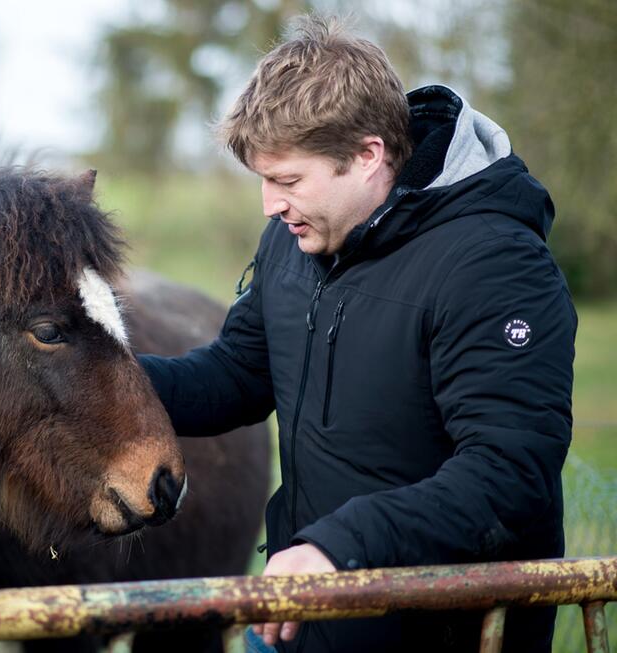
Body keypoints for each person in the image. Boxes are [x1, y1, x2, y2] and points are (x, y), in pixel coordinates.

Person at [137, 13, 575, 653]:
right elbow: (237, 374)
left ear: (368, 156)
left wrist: (338, 547)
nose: (270, 204)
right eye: (264, 180)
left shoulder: (496, 265)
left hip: (435, 633)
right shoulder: (297, 237)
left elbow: (509, 474)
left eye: (287, 181)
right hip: (300, 616)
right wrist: (104, 380)